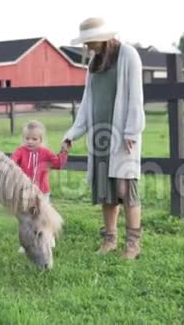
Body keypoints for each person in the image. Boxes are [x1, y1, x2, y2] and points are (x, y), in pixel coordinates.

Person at [62, 17, 146, 259]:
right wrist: (73, 133)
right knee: (106, 190)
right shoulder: (94, 64)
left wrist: (132, 130)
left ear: (103, 38)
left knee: (125, 186)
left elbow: (135, 96)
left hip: (122, 134)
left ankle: (133, 244)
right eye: (87, 43)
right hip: (99, 135)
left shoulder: (128, 55)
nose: (89, 47)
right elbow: (88, 101)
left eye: (91, 42)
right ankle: (109, 239)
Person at [12, 120, 68, 253]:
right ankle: (27, 243)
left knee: (42, 216)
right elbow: (12, 162)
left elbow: (58, 164)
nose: (30, 141)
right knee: (27, 217)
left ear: (41, 139)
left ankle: (48, 238)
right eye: (27, 138)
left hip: (42, 191)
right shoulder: (21, 151)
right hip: (25, 192)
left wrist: (64, 152)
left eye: (34, 139)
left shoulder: (45, 152)